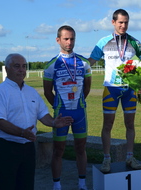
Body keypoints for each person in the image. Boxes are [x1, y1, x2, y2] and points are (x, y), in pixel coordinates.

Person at [0, 53, 74, 190]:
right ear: (7, 69)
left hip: (28, 148)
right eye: (17, 66)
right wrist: (22, 132)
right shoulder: (0, 92)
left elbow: (42, 114)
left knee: (26, 185)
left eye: (24, 66)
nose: (21, 70)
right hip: (6, 148)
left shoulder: (32, 92)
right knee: (4, 185)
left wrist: (53, 123)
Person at [88, 9, 141, 173]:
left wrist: (140, 83)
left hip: (129, 90)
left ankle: (130, 156)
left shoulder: (136, 43)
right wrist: (78, 69)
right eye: (120, 22)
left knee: (130, 124)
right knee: (108, 125)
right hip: (111, 89)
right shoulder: (103, 42)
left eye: (126, 22)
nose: (123, 25)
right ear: (113, 22)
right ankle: (106, 159)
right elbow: (91, 60)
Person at [43, 25, 92, 190]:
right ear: (58, 40)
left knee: (80, 148)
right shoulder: (51, 65)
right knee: (59, 150)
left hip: (80, 112)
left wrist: (77, 103)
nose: (69, 42)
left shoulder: (84, 63)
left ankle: (82, 184)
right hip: (61, 112)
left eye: (72, 39)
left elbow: (86, 89)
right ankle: (57, 185)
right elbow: (47, 92)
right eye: (66, 39)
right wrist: (58, 107)